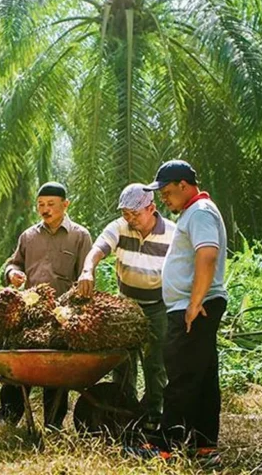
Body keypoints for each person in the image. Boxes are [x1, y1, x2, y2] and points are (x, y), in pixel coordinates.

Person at [143, 160, 228, 461]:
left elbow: (207, 254)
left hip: (195, 308)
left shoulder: (200, 212)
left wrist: (194, 304)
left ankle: (163, 447)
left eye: (167, 192)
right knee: (202, 377)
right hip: (197, 305)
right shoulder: (195, 212)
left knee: (180, 376)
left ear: (184, 185)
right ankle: (204, 446)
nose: (164, 199)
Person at [77, 183, 175, 428]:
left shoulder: (173, 233)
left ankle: (154, 417)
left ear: (151, 208)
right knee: (122, 361)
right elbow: (97, 250)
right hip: (126, 305)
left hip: (158, 305)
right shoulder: (120, 228)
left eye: (135, 214)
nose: (129, 219)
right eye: (125, 214)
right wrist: (88, 270)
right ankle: (123, 412)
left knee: (155, 364)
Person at [0, 182, 92, 429]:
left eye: (51, 204)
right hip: (28, 314)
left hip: (62, 317)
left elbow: (86, 276)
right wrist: (12, 274)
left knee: (56, 371)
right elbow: (13, 264)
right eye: (41, 204)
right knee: (19, 368)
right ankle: (7, 421)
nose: (45, 209)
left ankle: (53, 424)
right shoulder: (28, 236)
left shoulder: (80, 236)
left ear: (65, 204)